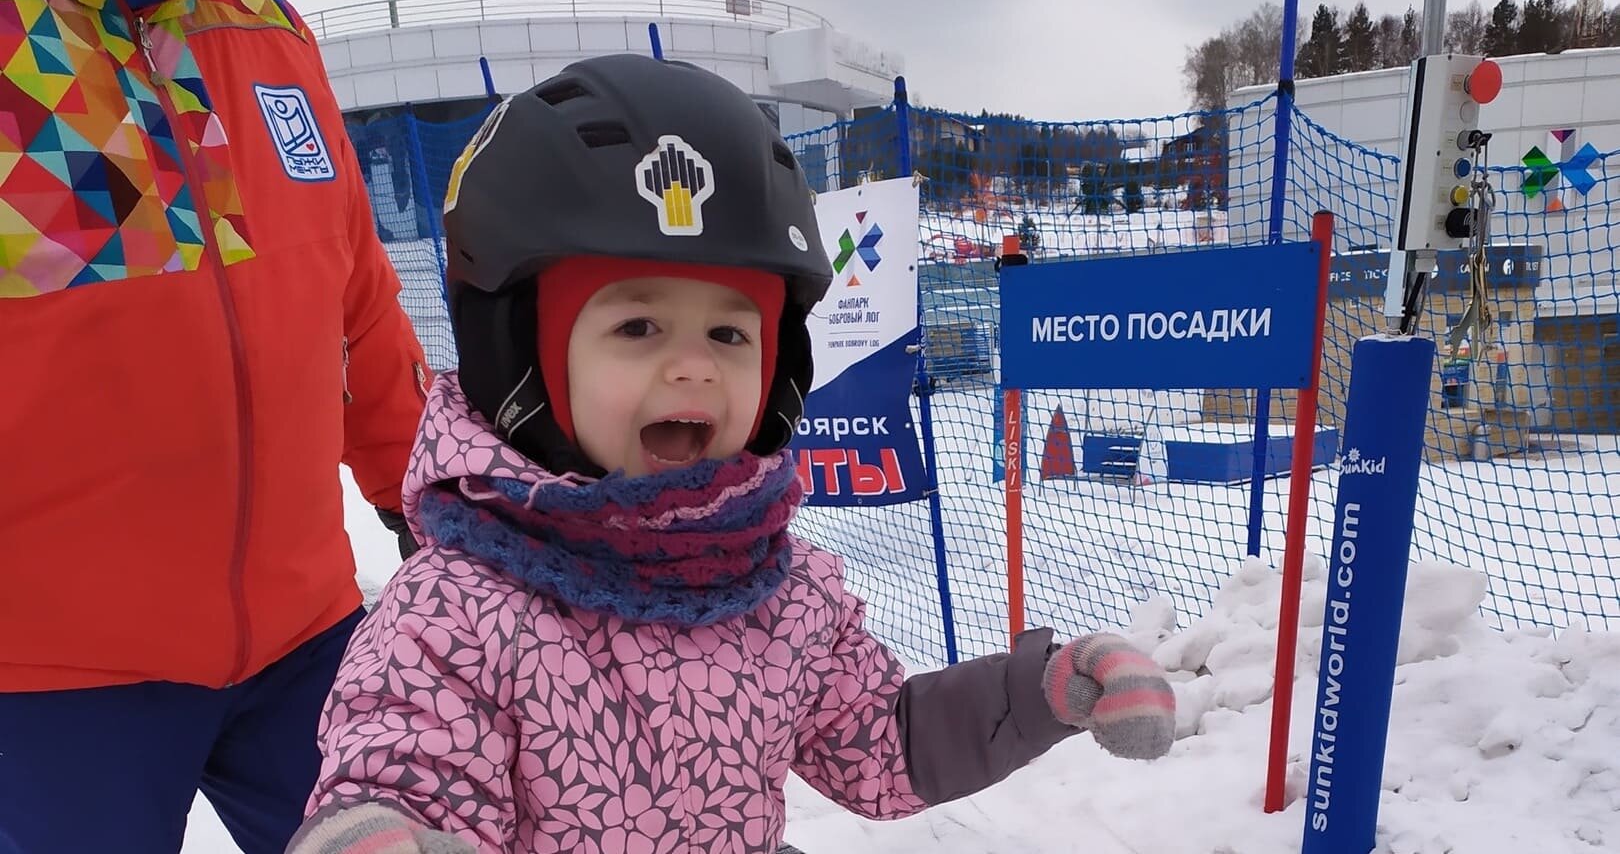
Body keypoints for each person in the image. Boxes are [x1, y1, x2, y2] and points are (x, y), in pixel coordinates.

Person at [288, 55, 1177, 854]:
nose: (694, 367)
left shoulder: (781, 594)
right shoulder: (457, 613)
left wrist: (1043, 688)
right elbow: (405, 774)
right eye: (637, 326)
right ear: (518, 356)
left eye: (728, 332)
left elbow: (881, 744)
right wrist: (381, 833)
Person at [0, 0, 429, 852]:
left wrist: (430, 497)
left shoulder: (264, 24)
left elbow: (355, 296)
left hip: (309, 642)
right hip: (47, 680)